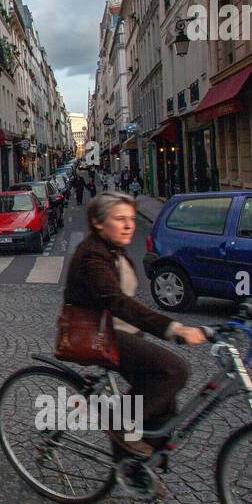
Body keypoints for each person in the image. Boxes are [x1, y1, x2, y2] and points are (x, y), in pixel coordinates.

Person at [62, 192, 205, 464]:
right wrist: (172, 327)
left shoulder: (112, 246)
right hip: (98, 334)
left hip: (119, 330)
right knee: (176, 370)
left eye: (130, 219)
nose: (130, 225)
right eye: (120, 219)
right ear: (98, 223)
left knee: (162, 396)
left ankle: (134, 464)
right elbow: (118, 303)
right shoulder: (92, 255)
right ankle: (120, 426)